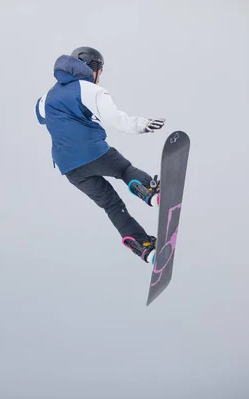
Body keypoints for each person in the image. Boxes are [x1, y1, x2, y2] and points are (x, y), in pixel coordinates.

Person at [35, 46, 166, 263]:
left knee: (112, 205)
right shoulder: (89, 89)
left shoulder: (47, 96)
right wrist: (143, 125)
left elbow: (39, 114)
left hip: (69, 167)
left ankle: (144, 248)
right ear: (93, 68)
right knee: (123, 169)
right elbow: (115, 118)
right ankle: (149, 192)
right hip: (91, 151)